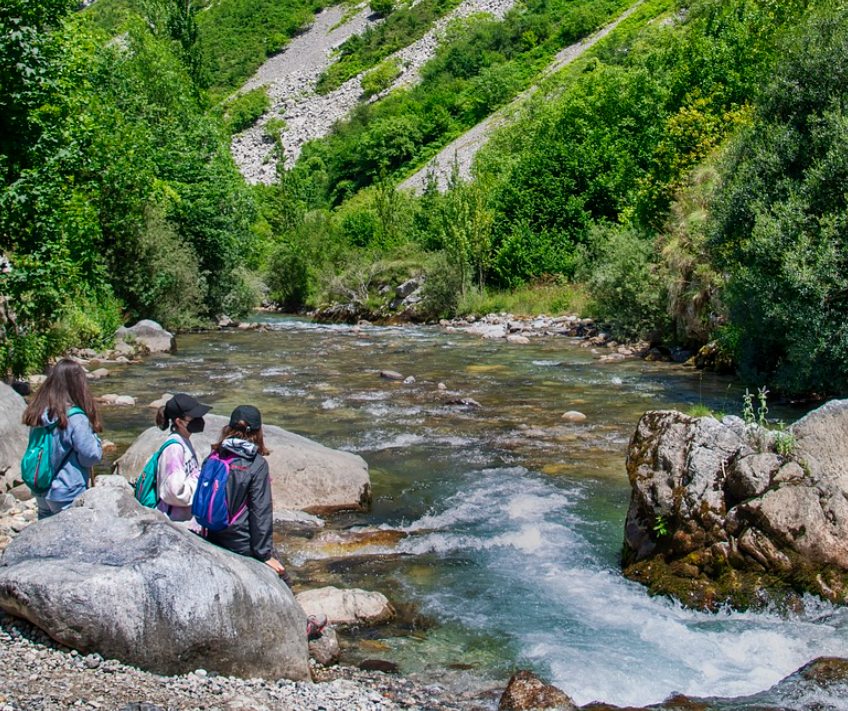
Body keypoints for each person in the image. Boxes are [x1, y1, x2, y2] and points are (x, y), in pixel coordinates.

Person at [203, 405, 326, 638]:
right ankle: (300, 626)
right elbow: (261, 513)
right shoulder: (255, 464)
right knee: (283, 576)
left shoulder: (215, 454)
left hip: (212, 534)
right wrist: (263, 555)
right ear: (258, 432)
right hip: (239, 542)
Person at [22, 359, 102, 519]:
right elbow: (91, 456)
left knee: (48, 537)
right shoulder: (75, 417)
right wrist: (97, 443)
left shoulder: (38, 412)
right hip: (67, 490)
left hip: (42, 489)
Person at [153, 393, 210, 522]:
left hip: (185, 521)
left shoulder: (185, 442)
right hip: (175, 523)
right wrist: (201, 481)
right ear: (179, 422)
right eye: (194, 417)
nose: (199, 419)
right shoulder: (174, 449)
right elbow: (174, 493)